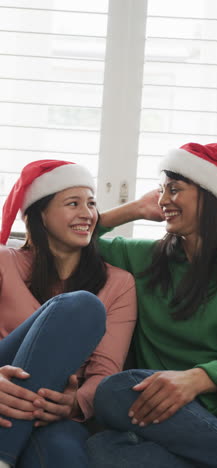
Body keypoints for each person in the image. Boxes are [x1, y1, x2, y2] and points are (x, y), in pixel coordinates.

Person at [86, 143, 217, 468]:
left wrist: (196, 379)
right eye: (160, 190)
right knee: (109, 412)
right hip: (168, 416)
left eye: (175, 190)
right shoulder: (147, 258)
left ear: (209, 196)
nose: (163, 200)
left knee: (112, 443)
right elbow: (71, 240)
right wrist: (134, 209)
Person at [0, 159, 137, 468]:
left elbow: (105, 371)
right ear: (40, 215)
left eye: (91, 204)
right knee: (83, 305)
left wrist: (75, 402)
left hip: (53, 410)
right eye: (73, 203)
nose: (87, 214)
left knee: (63, 452)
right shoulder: (3, 262)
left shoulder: (119, 283)